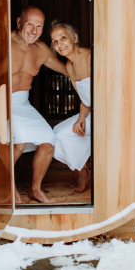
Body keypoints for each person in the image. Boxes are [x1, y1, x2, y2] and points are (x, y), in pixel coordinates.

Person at [0, 6, 68, 204]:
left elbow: (67, 70)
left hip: (22, 103)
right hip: (0, 99)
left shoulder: (41, 50)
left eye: (39, 26)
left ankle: (36, 190)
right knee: (19, 138)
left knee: (48, 141)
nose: (34, 31)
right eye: (29, 25)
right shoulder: (2, 43)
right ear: (19, 23)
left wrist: (88, 70)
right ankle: (9, 188)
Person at [49, 20, 92, 193]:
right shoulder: (70, 66)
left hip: (109, 114)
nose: (59, 44)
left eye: (63, 38)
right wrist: (81, 118)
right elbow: (85, 100)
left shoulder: (90, 58)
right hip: (91, 113)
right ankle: (82, 170)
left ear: (74, 37)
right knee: (57, 133)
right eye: (55, 41)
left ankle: (81, 173)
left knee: (65, 135)